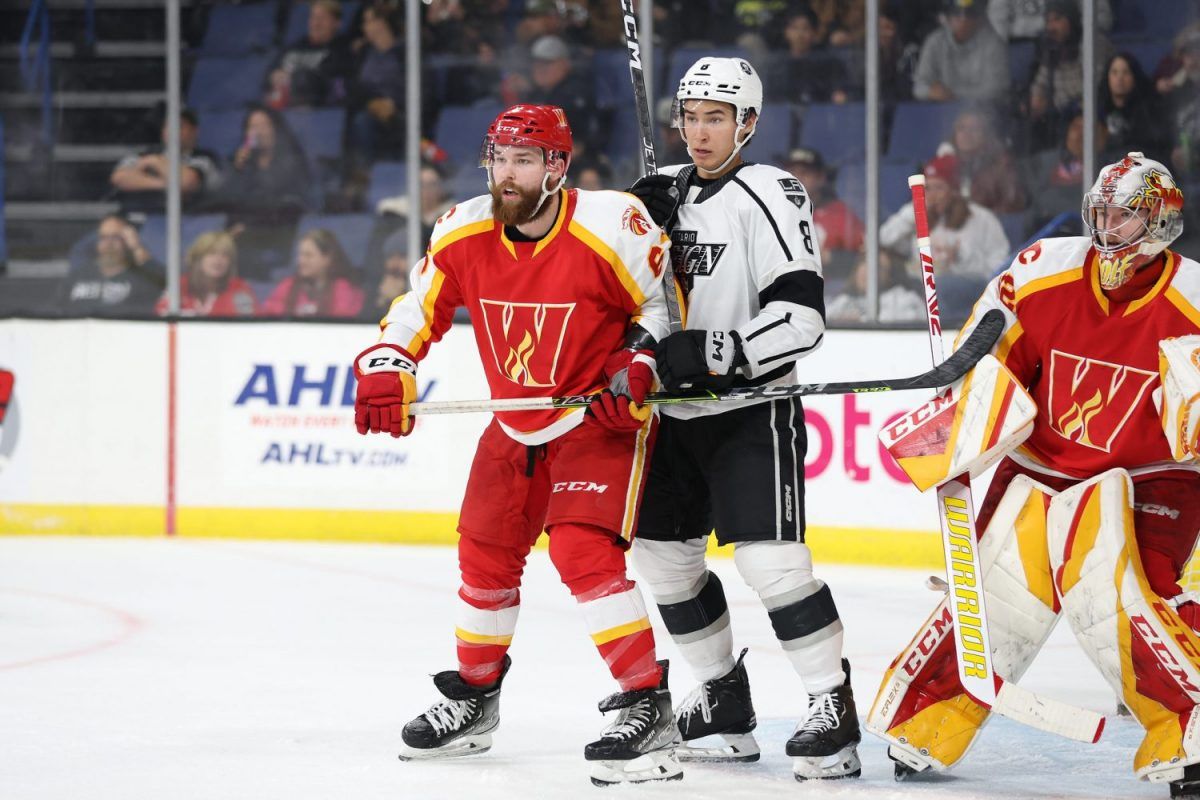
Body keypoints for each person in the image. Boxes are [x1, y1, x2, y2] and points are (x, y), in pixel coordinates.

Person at [351, 104, 683, 785]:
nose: (506, 174)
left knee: (582, 550)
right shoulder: (463, 227)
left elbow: (662, 304)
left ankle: (647, 703)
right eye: (498, 158)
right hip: (514, 421)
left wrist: (638, 359)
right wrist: (389, 363)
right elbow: (418, 309)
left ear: (557, 168)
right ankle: (475, 695)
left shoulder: (610, 227)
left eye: (523, 160)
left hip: (597, 417)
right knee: (484, 555)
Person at [865, 152, 1200, 798]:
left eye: (1125, 217)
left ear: (1159, 221)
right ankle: (928, 718)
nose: (1107, 229)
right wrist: (959, 391)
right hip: (1041, 469)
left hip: (1147, 480)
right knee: (997, 595)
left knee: (1120, 596)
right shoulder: (1044, 270)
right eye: (1101, 213)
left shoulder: (1191, 302)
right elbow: (992, 354)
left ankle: (1187, 727)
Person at [625, 57, 860, 781]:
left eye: (716, 118)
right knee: (663, 562)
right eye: (690, 116)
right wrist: (632, 231)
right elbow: (643, 302)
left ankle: (832, 706)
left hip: (751, 408)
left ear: (747, 124)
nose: (698, 131)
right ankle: (723, 699)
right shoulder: (664, 189)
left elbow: (802, 319)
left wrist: (719, 349)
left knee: (772, 563)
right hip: (671, 415)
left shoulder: (771, 191)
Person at [881, 154, 1010, 284]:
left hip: (969, 294)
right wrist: (914, 210)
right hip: (922, 293)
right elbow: (884, 239)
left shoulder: (982, 218)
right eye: (927, 188)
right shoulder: (916, 217)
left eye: (939, 188)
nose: (932, 195)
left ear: (953, 190)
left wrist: (959, 260)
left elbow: (999, 268)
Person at [220, 105, 312, 279]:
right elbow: (230, 199)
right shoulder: (244, 163)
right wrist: (238, 169)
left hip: (281, 229)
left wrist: (247, 226)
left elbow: (288, 203)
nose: (258, 132)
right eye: (253, 127)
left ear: (276, 128)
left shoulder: (292, 160)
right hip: (244, 231)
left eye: (264, 125)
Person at [109, 107, 221, 217]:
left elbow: (187, 182)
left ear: (195, 131)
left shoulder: (205, 158)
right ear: (163, 131)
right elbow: (119, 178)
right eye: (168, 126)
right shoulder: (145, 154)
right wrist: (166, 184)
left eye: (179, 126)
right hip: (141, 219)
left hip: (188, 221)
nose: (173, 131)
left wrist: (155, 161)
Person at [58, 215, 164, 316]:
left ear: (128, 240)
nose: (108, 243)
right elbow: (58, 310)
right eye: (103, 237)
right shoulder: (79, 275)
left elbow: (163, 282)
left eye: (115, 237)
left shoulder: (141, 277)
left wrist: (136, 247)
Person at [912, 0, 1009, 105]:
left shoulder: (993, 43)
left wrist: (953, 94)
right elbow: (919, 87)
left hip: (983, 109)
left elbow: (997, 90)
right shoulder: (935, 41)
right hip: (942, 111)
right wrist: (929, 92)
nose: (963, 18)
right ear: (948, 18)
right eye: (956, 13)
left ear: (980, 18)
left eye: (970, 13)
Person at [936, 106, 1027, 214]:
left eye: (974, 129)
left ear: (986, 134)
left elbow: (1014, 203)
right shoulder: (942, 164)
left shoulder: (1001, 164)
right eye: (961, 128)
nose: (967, 134)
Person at [265, 0, 354, 108]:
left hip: (317, 109)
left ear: (336, 23)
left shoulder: (343, 48)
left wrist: (290, 77)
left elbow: (328, 80)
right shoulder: (294, 47)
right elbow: (268, 74)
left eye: (322, 18)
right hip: (283, 106)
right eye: (313, 17)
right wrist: (273, 76)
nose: (316, 23)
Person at [260, 228, 363, 318]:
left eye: (308, 255)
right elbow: (269, 316)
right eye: (300, 255)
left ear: (327, 259)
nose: (301, 261)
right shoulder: (287, 286)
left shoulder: (344, 290)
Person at [156, 231, 256, 317]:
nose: (218, 260)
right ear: (198, 259)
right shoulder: (179, 286)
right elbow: (161, 319)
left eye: (225, 255)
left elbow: (251, 326)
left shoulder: (239, 289)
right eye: (212, 253)